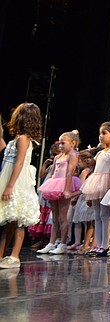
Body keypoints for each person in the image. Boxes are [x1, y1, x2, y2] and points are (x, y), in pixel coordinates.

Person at [0, 103, 43, 269]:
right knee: (10, 220)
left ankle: (14, 256)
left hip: (18, 181)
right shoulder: (18, 138)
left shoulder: (24, 139)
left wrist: (10, 186)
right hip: (9, 178)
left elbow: (18, 164)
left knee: (18, 220)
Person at [81, 119, 110, 257]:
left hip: (107, 183)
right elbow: (95, 170)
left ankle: (105, 245)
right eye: (100, 133)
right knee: (97, 216)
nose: (100, 136)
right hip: (96, 183)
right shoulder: (100, 153)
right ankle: (98, 244)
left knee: (105, 216)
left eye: (104, 133)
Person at [36, 129, 81, 255]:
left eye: (63, 143)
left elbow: (69, 172)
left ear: (72, 143)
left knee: (63, 217)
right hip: (54, 184)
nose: (60, 146)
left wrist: (67, 189)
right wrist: (46, 189)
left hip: (64, 185)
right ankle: (51, 242)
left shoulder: (73, 155)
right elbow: (52, 174)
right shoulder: (57, 157)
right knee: (54, 217)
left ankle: (63, 243)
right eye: (60, 143)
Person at [70, 149, 96, 253]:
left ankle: (88, 245)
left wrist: (73, 196)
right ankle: (85, 244)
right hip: (85, 198)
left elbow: (82, 187)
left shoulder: (89, 172)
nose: (89, 160)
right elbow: (82, 187)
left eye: (90, 158)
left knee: (91, 223)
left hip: (89, 197)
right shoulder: (87, 172)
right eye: (87, 158)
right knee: (88, 223)